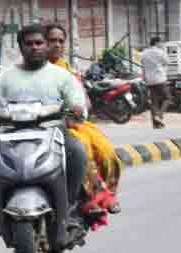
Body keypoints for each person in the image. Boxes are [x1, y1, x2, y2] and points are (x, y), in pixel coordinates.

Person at [0, 24, 89, 229]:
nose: (34, 47)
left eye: (39, 43)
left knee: (77, 152)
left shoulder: (61, 76)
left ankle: (68, 207)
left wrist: (76, 108)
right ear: (20, 47)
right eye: (29, 44)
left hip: (53, 133)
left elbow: (76, 100)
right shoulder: (6, 76)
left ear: (46, 46)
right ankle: (1, 212)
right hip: (12, 134)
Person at [46, 23, 122, 216]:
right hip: (47, 124)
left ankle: (108, 196)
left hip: (74, 122)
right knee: (83, 151)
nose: (56, 45)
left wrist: (79, 108)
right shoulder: (35, 68)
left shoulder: (68, 70)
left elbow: (84, 100)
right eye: (52, 40)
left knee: (106, 151)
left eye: (60, 41)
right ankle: (90, 199)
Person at [141, 36, 169, 129]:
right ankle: (159, 116)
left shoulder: (144, 53)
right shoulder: (160, 52)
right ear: (157, 43)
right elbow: (166, 62)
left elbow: (143, 66)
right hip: (160, 79)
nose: (162, 44)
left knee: (154, 102)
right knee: (167, 98)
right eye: (161, 42)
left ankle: (156, 125)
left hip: (149, 80)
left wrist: (145, 77)